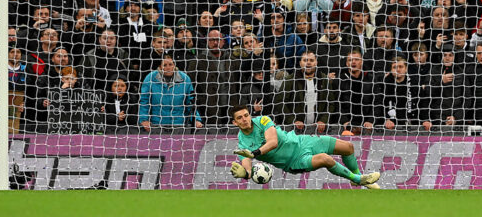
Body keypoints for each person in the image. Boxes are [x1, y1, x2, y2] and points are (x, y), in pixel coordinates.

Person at [230, 105, 381, 188]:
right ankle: (359, 179)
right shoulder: (242, 143)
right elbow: (248, 169)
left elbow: (273, 142)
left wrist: (255, 153)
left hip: (301, 141)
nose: (244, 119)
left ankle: (356, 177)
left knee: (348, 147)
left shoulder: (262, 120)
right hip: (294, 161)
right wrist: (245, 174)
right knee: (325, 159)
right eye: (239, 118)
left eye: (246, 115)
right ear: (234, 123)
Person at [138, 54, 203, 131]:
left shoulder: (185, 79)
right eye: (165, 65)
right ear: (159, 67)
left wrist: (196, 119)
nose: (168, 68)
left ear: (174, 65)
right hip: (156, 125)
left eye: (170, 64)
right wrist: (144, 120)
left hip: (179, 125)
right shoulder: (150, 78)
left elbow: (191, 102)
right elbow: (144, 101)